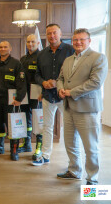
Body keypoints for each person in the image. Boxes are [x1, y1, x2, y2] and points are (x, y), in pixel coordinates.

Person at [56, 28, 108, 185]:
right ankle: (74, 170)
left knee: (90, 146)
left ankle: (92, 178)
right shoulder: (68, 60)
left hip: (87, 109)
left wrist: (71, 92)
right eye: (75, 40)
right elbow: (60, 78)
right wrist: (60, 89)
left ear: (89, 41)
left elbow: (95, 82)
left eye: (82, 39)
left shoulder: (98, 58)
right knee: (70, 142)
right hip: (68, 108)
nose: (78, 42)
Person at [32, 24, 74, 166]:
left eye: (54, 33)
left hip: (65, 97)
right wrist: (43, 83)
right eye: (49, 33)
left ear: (60, 33)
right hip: (47, 97)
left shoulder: (71, 50)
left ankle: (73, 161)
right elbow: (36, 75)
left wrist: (59, 83)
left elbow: (76, 73)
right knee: (47, 127)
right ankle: (45, 156)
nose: (52, 36)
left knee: (70, 128)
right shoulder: (41, 54)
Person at [0, 41, 26, 161]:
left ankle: (14, 149)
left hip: (11, 100)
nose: (3, 49)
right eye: (1, 47)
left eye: (5, 47)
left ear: (10, 49)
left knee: (12, 125)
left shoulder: (16, 64)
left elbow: (21, 83)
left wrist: (19, 98)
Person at [19, 34, 42, 157]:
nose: (30, 44)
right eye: (28, 42)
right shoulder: (23, 59)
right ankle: (26, 143)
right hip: (24, 92)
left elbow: (44, 75)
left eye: (33, 42)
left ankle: (39, 147)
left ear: (38, 43)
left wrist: (43, 92)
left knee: (38, 119)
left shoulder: (41, 57)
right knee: (25, 117)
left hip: (36, 92)